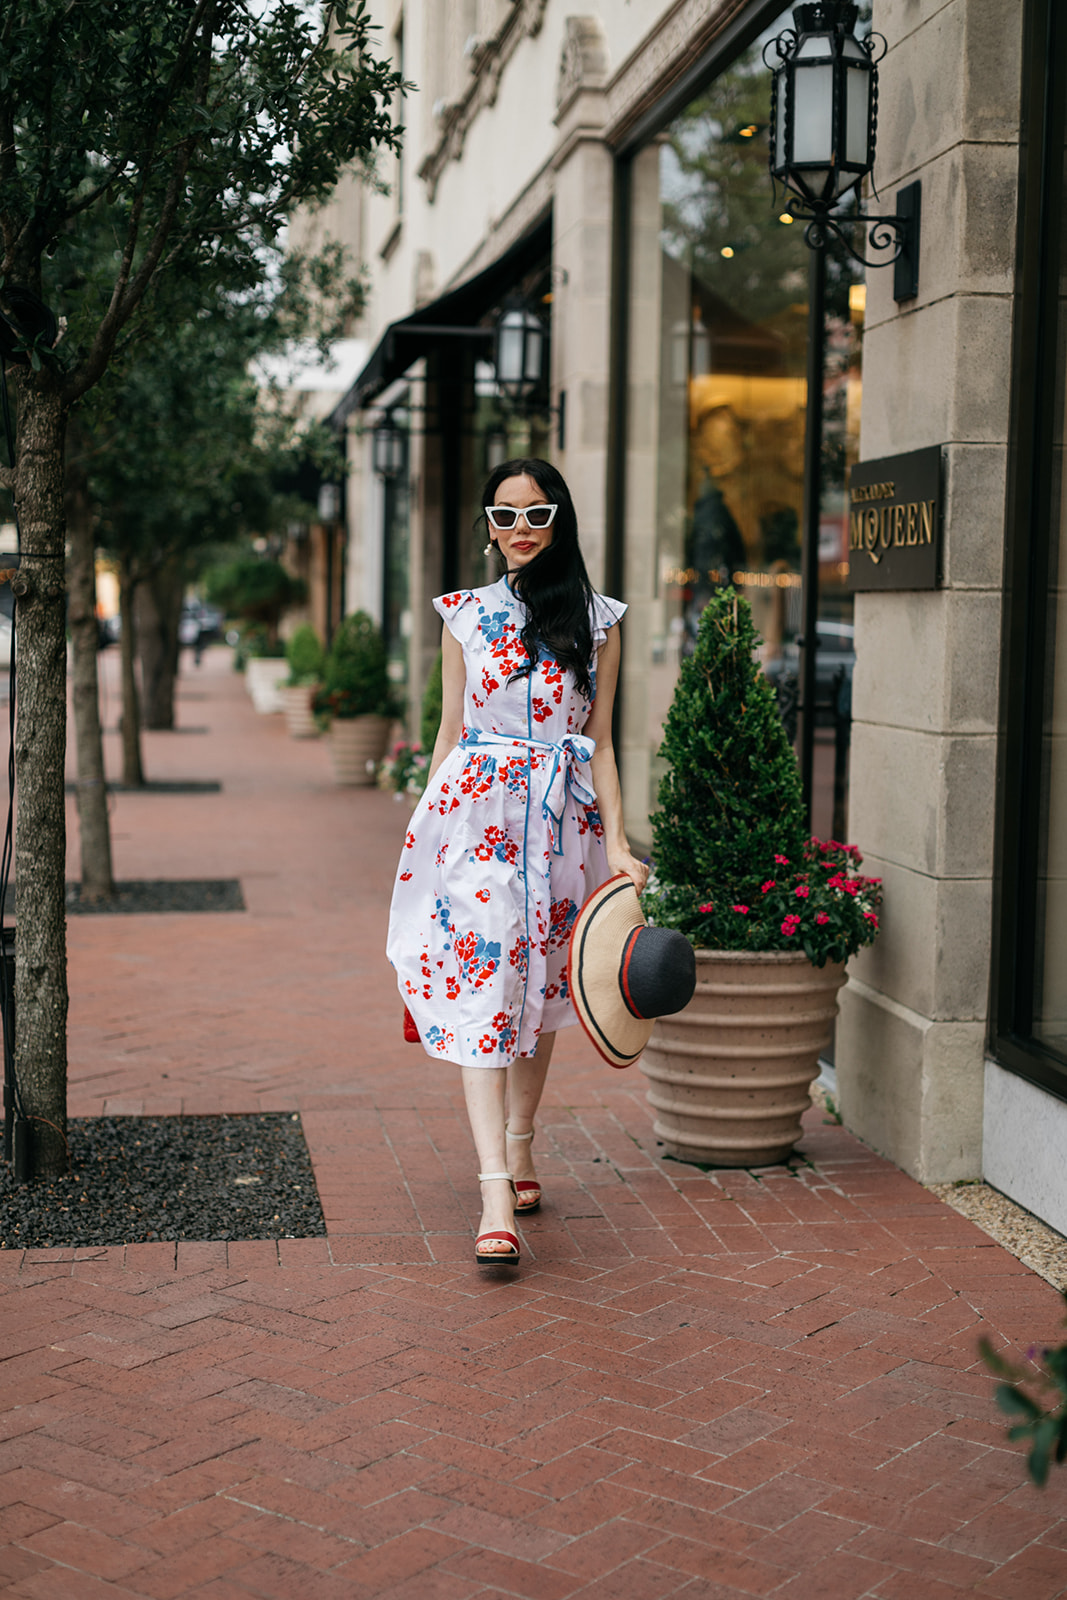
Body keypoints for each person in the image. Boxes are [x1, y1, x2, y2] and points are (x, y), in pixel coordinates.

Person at [386, 457, 647, 1265]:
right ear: (487, 526)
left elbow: (600, 744)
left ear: (560, 520)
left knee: (538, 994)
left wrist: (619, 845)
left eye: (536, 516)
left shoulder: (599, 620)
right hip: (476, 823)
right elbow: (445, 735)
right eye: (504, 518)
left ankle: (522, 1141)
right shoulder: (462, 615)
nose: (520, 533)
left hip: (560, 825)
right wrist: (425, 834)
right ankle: (493, 1187)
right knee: (486, 991)